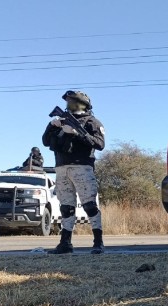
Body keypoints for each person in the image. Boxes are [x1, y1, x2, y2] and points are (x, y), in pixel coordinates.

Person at [42, 90, 105, 254]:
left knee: (90, 206)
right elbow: (45, 141)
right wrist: (52, 126)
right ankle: (65, 243)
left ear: (83, 104)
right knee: (66, 207)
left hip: (82, 167)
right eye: (68, 101)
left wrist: (76, 134)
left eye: (73, 101)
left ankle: (98, 242)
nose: (69, 104)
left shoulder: (92, 122)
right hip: (62, 168)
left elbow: (99, 144)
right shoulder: (61, 120)